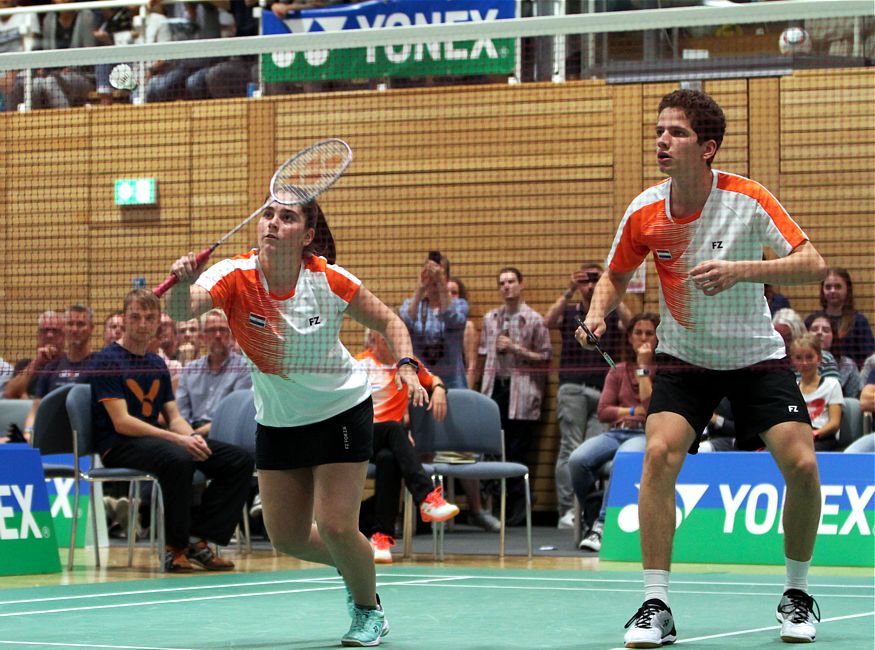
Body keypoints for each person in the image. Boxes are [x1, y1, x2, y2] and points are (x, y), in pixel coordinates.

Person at [581, 89, 826, 646]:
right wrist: (598, 313)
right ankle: (655, 604)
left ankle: (797, 591)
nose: (662, 140)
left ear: (707, 147)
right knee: (659, 455)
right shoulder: (646, 209)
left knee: (804, 466)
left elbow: (812, 263)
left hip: (756, 357)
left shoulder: (747, 198)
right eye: (660, 130)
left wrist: (742, 270)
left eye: (677, 133)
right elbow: (615, 275)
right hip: (685, 357)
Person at [168, 196, 427, 646]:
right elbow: (179, 311)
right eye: (268, 214)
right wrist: (181, 284)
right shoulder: (234, 275)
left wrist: (406, 363)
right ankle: (359, 566)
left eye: (287, 217)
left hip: (340, 410)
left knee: (337, 525)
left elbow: (390, 320)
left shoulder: (326, 280)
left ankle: (368, 609)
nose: (272, 222)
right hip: (280, 420)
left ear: (307, 235)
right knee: (286, 537)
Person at [88, 289, 254, 572]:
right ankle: (173, 549)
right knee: (178, 459)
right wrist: (178, 440)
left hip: (156, 441)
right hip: (119, 445)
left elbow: (173, 415)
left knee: (238, 460)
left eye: (149, 318)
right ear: (123, 319)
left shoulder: (156, 364)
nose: (142, 324)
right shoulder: (107, 361)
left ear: (158, 324)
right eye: (136, 317)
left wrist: (191, 437)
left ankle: (198, 539)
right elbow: (122, 422)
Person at [355, 329, 459, 564]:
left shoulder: (406, 367)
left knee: (388, 459)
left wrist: (440, 390)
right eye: (386, 335)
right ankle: (426, 496)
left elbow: (434, 380)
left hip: (390, 440)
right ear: (373, 339)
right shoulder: (359, 364)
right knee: (395, 428)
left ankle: (381, 537)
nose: (394, 340)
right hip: (359, 435)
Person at [544, 262, 631, 530]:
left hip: (603, 391)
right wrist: (570, 289)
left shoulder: (609, 312)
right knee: (570, 448)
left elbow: (631, 323)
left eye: (595, 279)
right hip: (572, 387)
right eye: (585, 280)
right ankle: (567, 510)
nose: (590, 285)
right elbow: (547, 321)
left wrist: (613, 281)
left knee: (591, 452)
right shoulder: (570, 311)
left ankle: (587, 510)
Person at [571, 312, 658, 552]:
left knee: (623, 459)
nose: (643, 338)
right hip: (616, 433)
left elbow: (650, 409)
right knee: (577, 460)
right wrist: (631, 409)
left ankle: (601, 526)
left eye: (649, 333)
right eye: (637, 333)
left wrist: (643, 367)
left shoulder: (663, 370)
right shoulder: (618, 370)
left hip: (644, 434)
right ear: (629, 338)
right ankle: (593, 511)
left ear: (658, 337)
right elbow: (604, 412)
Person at [473, 267, 551, 525]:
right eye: (502, 283)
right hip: (495, 388)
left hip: (523, 393)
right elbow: (483, 354)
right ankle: (494, 507)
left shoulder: (535, 320)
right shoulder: (490, 319)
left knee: (518, 451)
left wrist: (516, 349)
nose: (506, 286)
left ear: (521, 285)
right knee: (494, 450)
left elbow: (545, 357)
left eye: (511, 282)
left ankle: (519, 508)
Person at [22, 304, 96, 442]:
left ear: (91, 328)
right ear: (65, 329)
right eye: (70, 324)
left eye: (80, 324)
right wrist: (28, 432)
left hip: (88, 439)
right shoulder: (51, 367)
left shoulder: (102, 366)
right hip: (52, 438)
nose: (74, 329)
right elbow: (36, 409)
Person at [176, 309, 252, 436]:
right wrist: (190, 437)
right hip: (189, 433)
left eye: (222, 330)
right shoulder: (189, 370)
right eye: (212, 330)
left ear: (231, 335)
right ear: (202, 337)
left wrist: (197, 435)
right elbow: (181, 412)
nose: (217, 335)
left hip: (225, 432)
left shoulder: (243, 367)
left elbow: (235, 411)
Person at [805, 268, 875, 369]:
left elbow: (869, 359)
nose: (832, 290)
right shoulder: (811, 321)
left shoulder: (859, 321)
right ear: (822, 290)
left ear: (847, 289)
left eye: (838, 287)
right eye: (828, 287)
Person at [790, 334, 843, 452]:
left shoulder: (832, 385)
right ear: (793, 360)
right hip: (796, 437)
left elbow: (834, 423)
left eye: (809, 357)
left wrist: (815, 434)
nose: (804, 363)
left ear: (819, 358)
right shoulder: (791, 388)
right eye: (798, 358)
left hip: (822, 437)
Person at [5, 310, 65, 399]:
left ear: (63, 336)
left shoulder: (70, 364)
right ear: (38, 335)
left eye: (55, 331)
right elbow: (9, 393)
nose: (49, 335)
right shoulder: (24, 364)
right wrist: (36, 363)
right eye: (45, 330)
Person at [808, 315, 861, 398]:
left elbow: (853, 400)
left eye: (825, 330)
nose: (819, 333)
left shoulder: (848, 365)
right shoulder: (798, 362)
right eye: (814, 329)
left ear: (834, 336)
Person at [446, 277, 479, 390]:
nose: (449, 295)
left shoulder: (467, 326)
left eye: (454, 293)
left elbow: (471, 365)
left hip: (459, 386)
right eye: (446, 292)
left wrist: (468, 394)